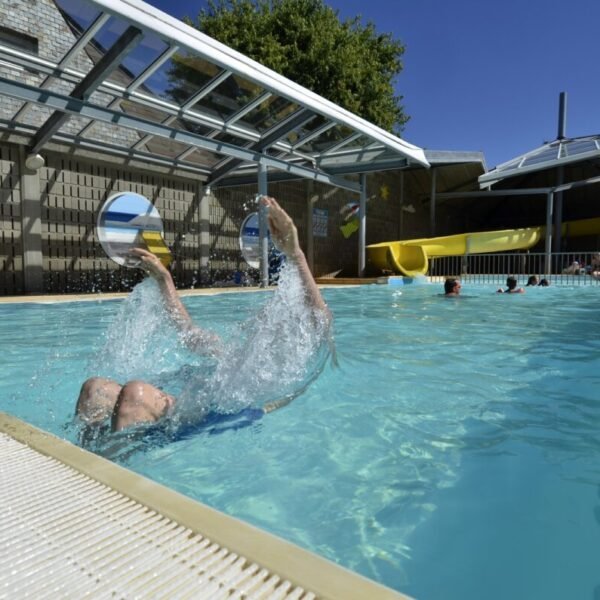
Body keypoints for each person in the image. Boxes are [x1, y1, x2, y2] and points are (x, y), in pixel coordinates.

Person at [76, 196, 330, 435]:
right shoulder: (231, 355)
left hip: (209, 416)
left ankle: (114, 472)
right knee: (95, 389)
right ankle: (87, 460)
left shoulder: (281, 373)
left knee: (136, 393)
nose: (261, 321)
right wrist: (165, 279)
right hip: (180, 404)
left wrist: (295, 254)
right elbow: (187, 331)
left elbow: (321, 323)